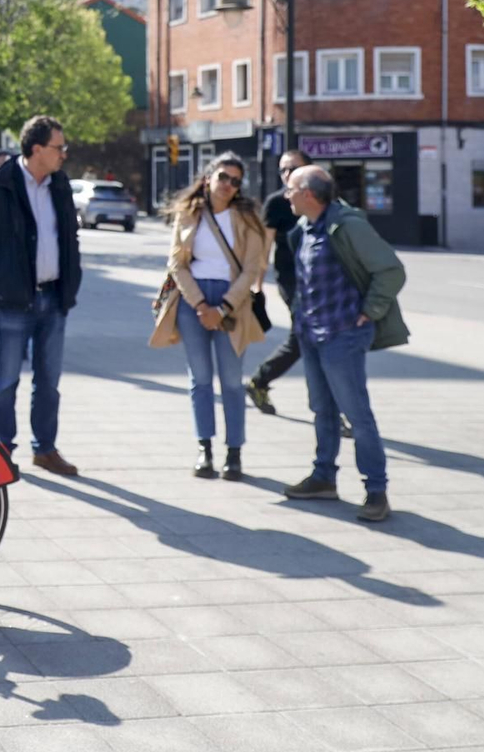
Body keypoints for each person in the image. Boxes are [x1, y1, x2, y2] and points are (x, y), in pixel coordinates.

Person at [281, 164, 408, 523]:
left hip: (343, 335)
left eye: (290, 188)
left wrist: (371, 311)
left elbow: (391, 270)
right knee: (322, 409)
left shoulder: (348, 225)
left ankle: (376, 491)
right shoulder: (304, 228)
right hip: (312, 334)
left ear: (308, 194)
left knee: (357, 414)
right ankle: (323, 478)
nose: (286, 194)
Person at [0, 115, 83, 477]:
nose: (64, 154)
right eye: (58, 147)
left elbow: (68, 237)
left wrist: (71, 282)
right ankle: (2, 448)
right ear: (36, 149)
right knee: (7, 381)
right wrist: (3, 277)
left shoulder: (60, 185)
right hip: (13, 302)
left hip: (54, 299)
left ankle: (45, 449)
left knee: (49, 382)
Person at [164, 152, 270, 481]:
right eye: (223, 177)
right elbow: (176, 264)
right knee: (200, 380)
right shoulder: (189, 213)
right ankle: (204, 450)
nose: (228, 185)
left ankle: (234, 453)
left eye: (235, 181)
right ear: (208, 176)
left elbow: (253, 267)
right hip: (192, 301)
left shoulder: (248, 217)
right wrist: (199, 305)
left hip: (232, 303)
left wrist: (222, 307)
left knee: (231, 381)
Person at [244, 148, 311, 415]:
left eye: (293, 168)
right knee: (305, 333)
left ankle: (260, 381)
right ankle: (330, 411)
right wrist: (257, 285)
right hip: (291, 279)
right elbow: (264, 245)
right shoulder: (277, 202)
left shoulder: (321, 196)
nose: (286, 174)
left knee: (307, 338)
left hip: (322, 280)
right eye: (283, 169)